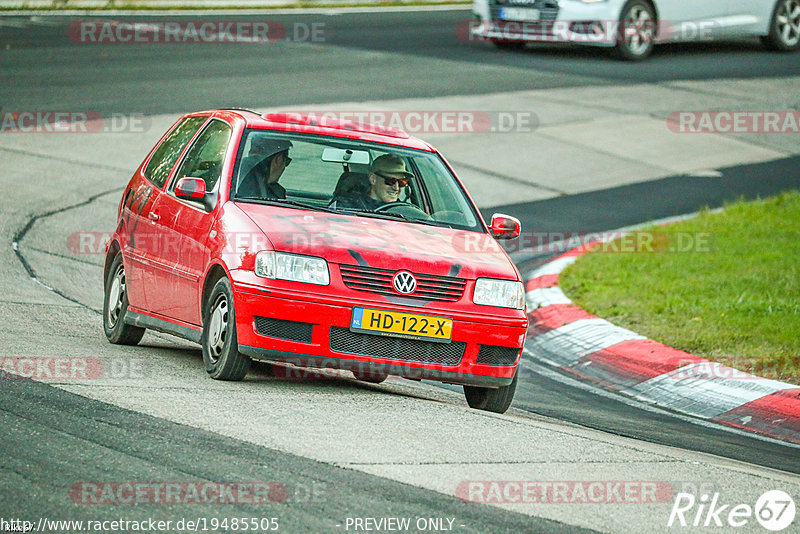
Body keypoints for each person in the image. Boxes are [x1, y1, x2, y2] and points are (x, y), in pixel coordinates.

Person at [329, 153, 413, 210]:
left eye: (402, 182)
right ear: (373, 179)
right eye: (391, 181)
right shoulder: (345, 206)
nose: (396, 188)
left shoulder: (406, 212)